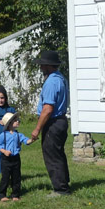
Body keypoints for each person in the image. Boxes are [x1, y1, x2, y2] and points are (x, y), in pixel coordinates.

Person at [30, 50, 71, 195]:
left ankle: (60, 189)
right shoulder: (60, 78)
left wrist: (37, 129)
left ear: (48, 65)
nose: (41, 68)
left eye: (42, 65)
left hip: (53, 122)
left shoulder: (51, 82)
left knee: (52, 155)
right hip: (61, 121)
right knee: (58, 153)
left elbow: (47, 109)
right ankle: (64, 181)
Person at [0, 112, 33, 201]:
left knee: (16, 177)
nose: (18, 122)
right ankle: (2, 194)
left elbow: (26, 141)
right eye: (15, 120)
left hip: (16, 158)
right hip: (6, 159)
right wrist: (4, 151)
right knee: (5, 177)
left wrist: (32, 139)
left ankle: (15, 194)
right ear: (9, 123)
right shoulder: (3, 135)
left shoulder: (18, 135)